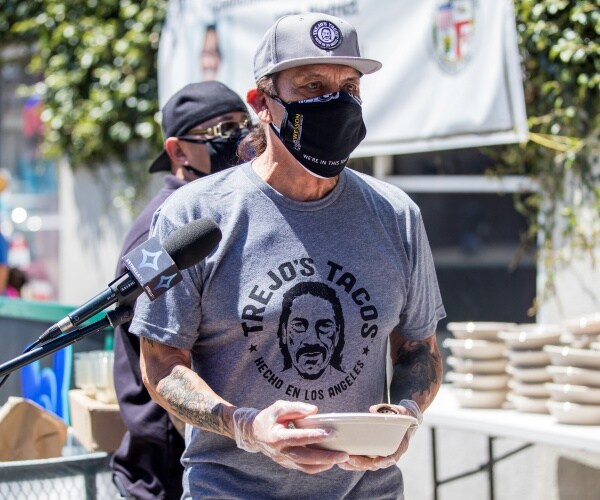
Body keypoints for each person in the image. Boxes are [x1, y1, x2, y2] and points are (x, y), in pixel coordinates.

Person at [131, 12, 445, 499]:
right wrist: (247, 427)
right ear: (262, 103)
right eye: (312, 85)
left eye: (349, 87)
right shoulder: (191, 214)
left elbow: (419, 350)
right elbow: (160, 361)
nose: (335, 102)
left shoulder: (397, 215)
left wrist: (403, 413)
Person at [110, 81, 250, 500]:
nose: (241, 137)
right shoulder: (165, 234)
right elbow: (165, 363)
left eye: (245, 123)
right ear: (178, 152)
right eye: (223, 128)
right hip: (168, 475)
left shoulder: (224, 210)